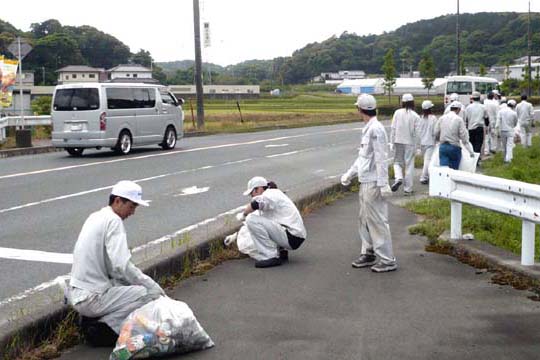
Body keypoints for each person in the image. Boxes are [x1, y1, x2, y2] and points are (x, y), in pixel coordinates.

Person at [67, 180, 165, 341]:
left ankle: (90, 320)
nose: (133, 212)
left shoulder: (96, 216)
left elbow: (113, 268)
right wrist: (152, 285)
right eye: (132, 206)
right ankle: (104, 328)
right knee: (147, 293)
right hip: (92, 297)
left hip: (77, 292)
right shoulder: (114, 221)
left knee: (127, 286)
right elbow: (121, 266)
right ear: (118, 201)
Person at [341, 94, 396, 273]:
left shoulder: (376, 129)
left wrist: (383, 183)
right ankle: (368, 252)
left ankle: (388, 260)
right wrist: (350, 174)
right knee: (364, 219)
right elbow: (363, 157)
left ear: (359, 109)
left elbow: (381, 158)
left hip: (373, 182)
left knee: (378, 221)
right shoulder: (368, 128)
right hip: (366, 181)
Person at [238, 176, 306, 268]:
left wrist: (244, 215)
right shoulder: (274, 193)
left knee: (251, 219)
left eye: (252, 193)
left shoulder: (270, 194)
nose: (252, 196)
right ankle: (281, 252)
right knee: (264, 219)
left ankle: (270, 256)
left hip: (291, 235)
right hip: (294, 236)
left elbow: (255, 204)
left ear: (258, 189)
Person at [390, 93, 420, 195]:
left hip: (398, 141)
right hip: (410, 143)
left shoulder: (397, 113)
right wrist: (417, 147)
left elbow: (393, 129)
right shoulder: (415, 116)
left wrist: (391, 142)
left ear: (402, 102)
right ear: (412, 103)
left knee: (397, 163)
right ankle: (408, 189)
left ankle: (398, 178)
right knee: (409, 165)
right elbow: (417, 134)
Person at [434, 101, 475, 170]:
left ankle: (444, 180)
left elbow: (435, 132)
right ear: (458, 109)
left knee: (443, 170)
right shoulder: (459, 120)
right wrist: (470, 151)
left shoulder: (442, 118)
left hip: (443, 147)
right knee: (453, 170)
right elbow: (464, 137)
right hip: (454, 147)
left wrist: (439, 140)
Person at [417, 100, 438, 184]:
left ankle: (426, 176)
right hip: (430, 142)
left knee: (425, 160)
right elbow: (435, 131)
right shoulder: (433, 118)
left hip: (422, 142)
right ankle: (424, 177)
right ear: (430, 108)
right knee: (428, 160)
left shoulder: (420, 118)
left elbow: (418, 130)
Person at [464, 91, 487, 163]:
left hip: (470, 128)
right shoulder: (483, 107)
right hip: (479, 128)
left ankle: (472, 159)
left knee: (471, 143)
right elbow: (486, 118)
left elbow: (466, 119)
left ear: (472, 98)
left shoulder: (468, 107)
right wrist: (486, 126)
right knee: (478, 144)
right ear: (479, 98)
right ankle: (476, 160)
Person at [496, 99, 518, 163]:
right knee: (509, 145)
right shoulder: (514, 113)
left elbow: (498, 121)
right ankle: (508, 159)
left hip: (502, 130)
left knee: (504, 146)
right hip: (510, 131)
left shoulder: (501, 111)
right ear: (514, 106)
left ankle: (505, 158)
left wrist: (497, 129)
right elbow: (515, 123)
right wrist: (512, 126)